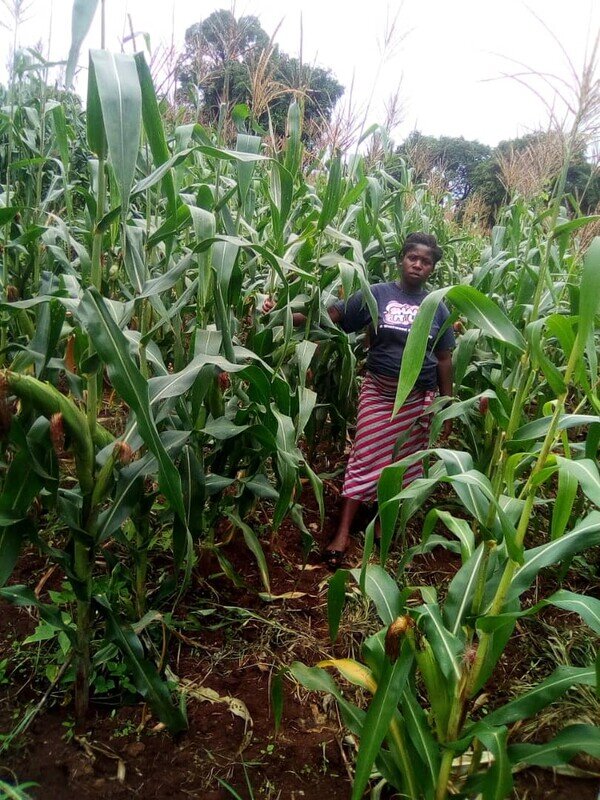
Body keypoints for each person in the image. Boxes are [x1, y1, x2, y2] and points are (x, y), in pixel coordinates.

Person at [263, 232, 454, 568]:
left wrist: (448, 405)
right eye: (413, 258)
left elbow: (443, 358)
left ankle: (381, 525)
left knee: (403, 468)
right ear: (401, 259)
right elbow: (330, 317)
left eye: (426, 262)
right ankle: (343, 531)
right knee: (364, 458)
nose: (419, 265)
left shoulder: (437, 305)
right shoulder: (377, 294)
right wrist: (279, 314)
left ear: (432, 268)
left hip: (418, 400)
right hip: (379, 393)